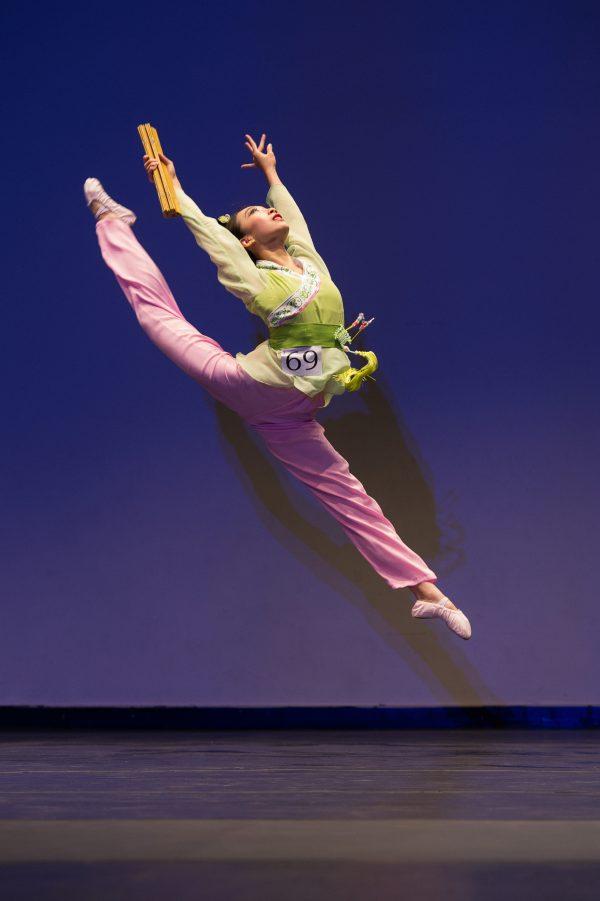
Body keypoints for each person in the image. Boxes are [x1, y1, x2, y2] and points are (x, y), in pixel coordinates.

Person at [82, 132, 472, 640]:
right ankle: (114, 221)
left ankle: (427, 594)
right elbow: (208, 233)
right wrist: (174, 187)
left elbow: (295, 218)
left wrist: (271, 177)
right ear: (246, 241)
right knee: (155, 315)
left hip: (292, 414)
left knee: (348, 496)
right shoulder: (252, 274)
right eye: (256, 213)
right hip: (246, 382)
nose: (268, 212)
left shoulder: (310, 264)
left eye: (265, 208)